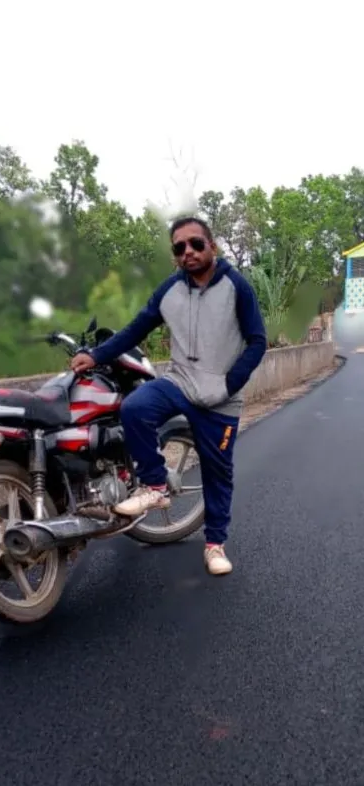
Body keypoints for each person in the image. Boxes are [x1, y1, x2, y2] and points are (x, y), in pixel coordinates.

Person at [71, 216, 267, 575]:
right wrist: (97, 355)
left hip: (221, 395)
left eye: (195, 244)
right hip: (179, 381)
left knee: (217, 472)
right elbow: (136, 329)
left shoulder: (237, 286)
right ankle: (156, 485)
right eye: (180, 248)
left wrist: (230, 383)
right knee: (135, 408)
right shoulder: (169, 291)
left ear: (212, 246)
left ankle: (214, 545)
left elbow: (257, 341)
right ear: (175, 255)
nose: (188, 252)